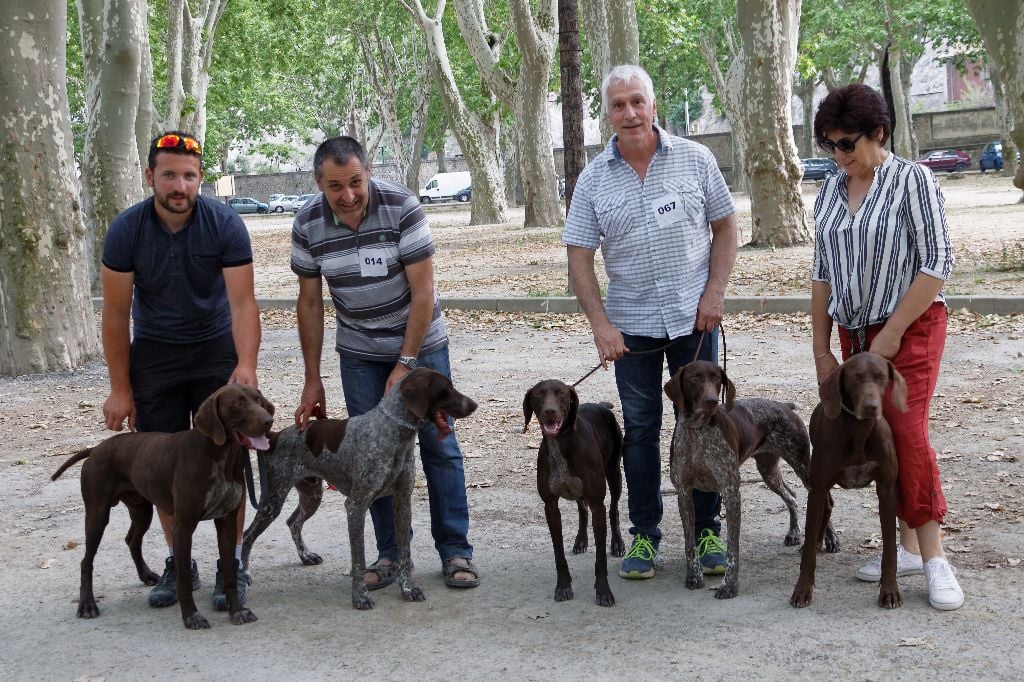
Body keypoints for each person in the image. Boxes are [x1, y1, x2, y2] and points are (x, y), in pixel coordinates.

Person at [563, 65, 738, 580]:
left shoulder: (695, 159)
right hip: (631, 329)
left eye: (637, 101)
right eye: (618, 105)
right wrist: (601, 326)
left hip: (696, 321)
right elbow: (579, 256)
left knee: (702, 426)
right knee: (640, 431)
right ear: (608, 115)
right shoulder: (594, 179)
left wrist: (715, 293)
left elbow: (725, 227)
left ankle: (706, 531)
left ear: (653, 105)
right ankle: (645, 536)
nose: (630, 112)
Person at [291, 136, 479, 589]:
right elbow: (310, 304)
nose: (348, 195)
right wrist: (312, 379)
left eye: (356, 181)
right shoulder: (307, 223)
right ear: (319, 182)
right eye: (335, 186)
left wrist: (407, 362)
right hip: (358, 351)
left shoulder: (402, 207)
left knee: (438, 447)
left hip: (422, 345)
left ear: (368, 172)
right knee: (368, 456)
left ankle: (455, 551)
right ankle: (389, 555)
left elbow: (424, 291)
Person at [810, 83, 962, 611]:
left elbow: (935, 263)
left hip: (910, 327)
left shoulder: (912, 180)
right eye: (830, 145)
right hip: (854, 337)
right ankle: (906, 551)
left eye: (847, 144)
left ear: (880, 133)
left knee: (905, 429)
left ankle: (935, 556)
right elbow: (822, 273)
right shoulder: (831, 187)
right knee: (871, 432)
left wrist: (893, 331)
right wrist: (822, 349)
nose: (839, 155)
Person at [101, 130, 262, 611]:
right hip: (157, 351)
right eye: (169, 174)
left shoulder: (224, 223)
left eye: (189, 176)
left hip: (214, 348)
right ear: (150, 176)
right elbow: (114, 315)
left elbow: (243, 302)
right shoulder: (126, 230)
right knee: (168, 464)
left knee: (229, 460)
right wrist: (119, 389)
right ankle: (179, 560)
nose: (179, 185)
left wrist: (246, 365)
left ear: (200, 180)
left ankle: (231, 565)